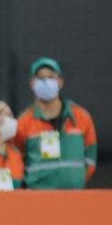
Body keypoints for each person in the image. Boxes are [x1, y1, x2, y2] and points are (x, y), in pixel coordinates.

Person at [12, 57, 98, 189]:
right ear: (32, 83)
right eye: (40, 78)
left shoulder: (81, 117)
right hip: (37, 198)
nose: (46, 81)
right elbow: (17, 160)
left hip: (74, 197)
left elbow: (90, 158)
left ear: (60, 82)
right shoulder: (23, 122)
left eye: (51, 77)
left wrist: (76, 180)